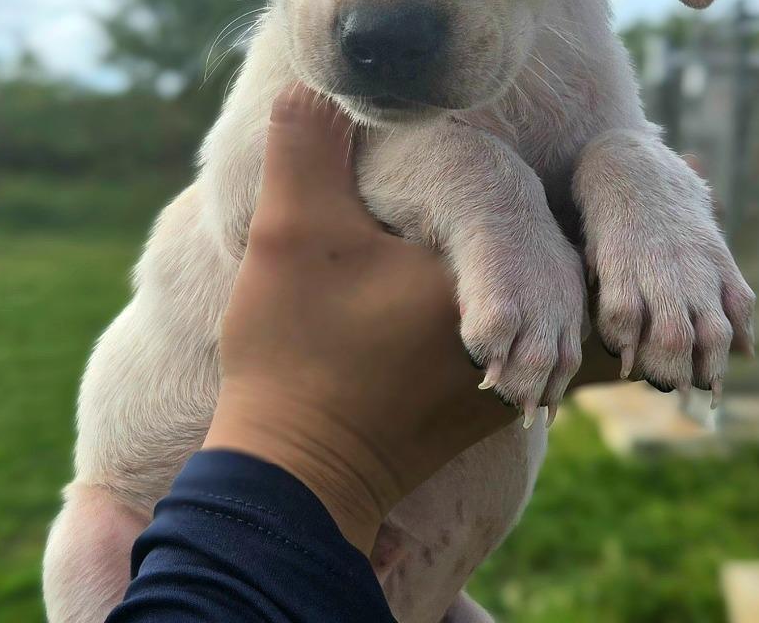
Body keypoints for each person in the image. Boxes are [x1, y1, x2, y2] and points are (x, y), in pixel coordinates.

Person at [106, 84, 619, 622]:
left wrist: (639, 191)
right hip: (145, 516)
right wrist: (329, 455)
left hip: (413, 591)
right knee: (92, 532)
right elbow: (240, 209)